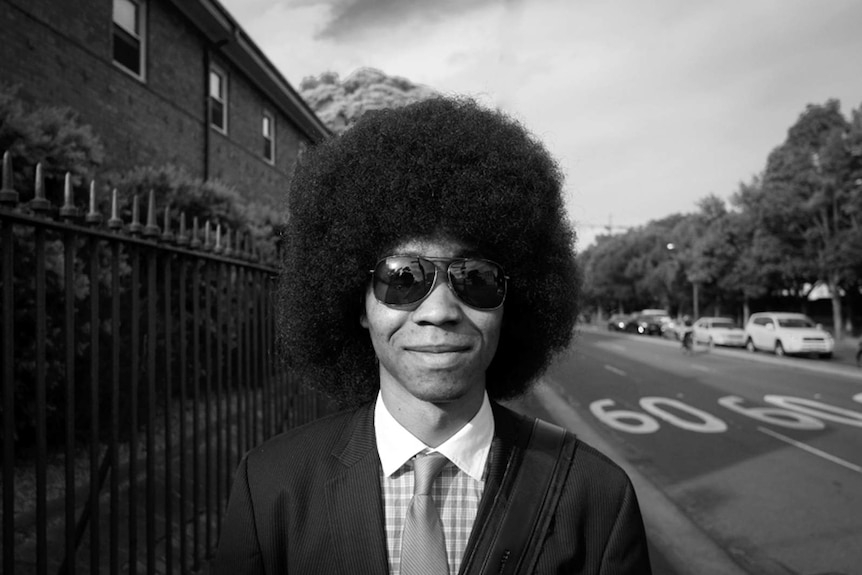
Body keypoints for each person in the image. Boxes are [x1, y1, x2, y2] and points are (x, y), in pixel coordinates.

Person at [213, 96, 651, 574]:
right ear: (356, 303)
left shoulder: (596, 498)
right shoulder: (272, 485)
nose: (439, 311)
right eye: (403, 278)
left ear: (512, 302)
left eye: (476, 278)